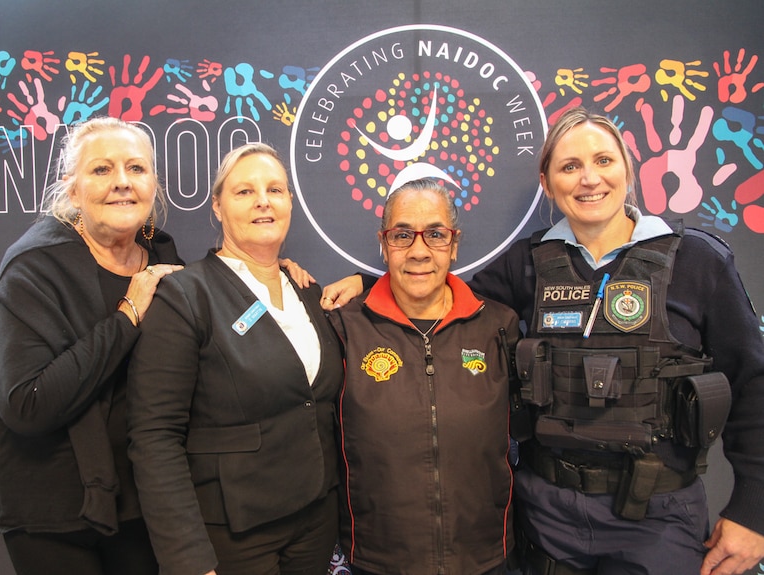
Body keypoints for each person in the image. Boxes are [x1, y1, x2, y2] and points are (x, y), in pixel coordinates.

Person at [323, 107, 764, 575]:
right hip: (550, 517)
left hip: (657, 516)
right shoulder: (527, 263)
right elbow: (442, 295)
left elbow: (753, 381)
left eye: (603, 161)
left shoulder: (696, 261)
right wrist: (371, 282)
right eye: (569, 167)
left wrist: (754, 509)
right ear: (547, 183)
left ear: (628, 170)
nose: (588, 179)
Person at [0, 116, 185, 575]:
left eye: (136, 168)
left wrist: (270, 272)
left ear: (154, 184)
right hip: (51, 512)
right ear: (72, 189)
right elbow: (26, 404)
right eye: (102, 170)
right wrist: (128, 315)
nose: (122, 183)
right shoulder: (33, 267)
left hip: (142, 505)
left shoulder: (164, 256)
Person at [125, 142, 343, 575]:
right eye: (244, 191)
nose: (263, 200)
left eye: (275, 190)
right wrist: (187, 557)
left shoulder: (308, 291)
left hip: (315, 522)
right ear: (218, 207)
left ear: (290, 203)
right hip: (232, 534)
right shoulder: (186, 296)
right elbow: (155, 436)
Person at [328, 178, 520, 575]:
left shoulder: (499, 325)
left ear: (454, 242)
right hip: (378, 560)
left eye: (435, 234)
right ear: (384, 244)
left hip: (485, 557)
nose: (418, 251)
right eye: (402, 235)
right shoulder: (343, 329)